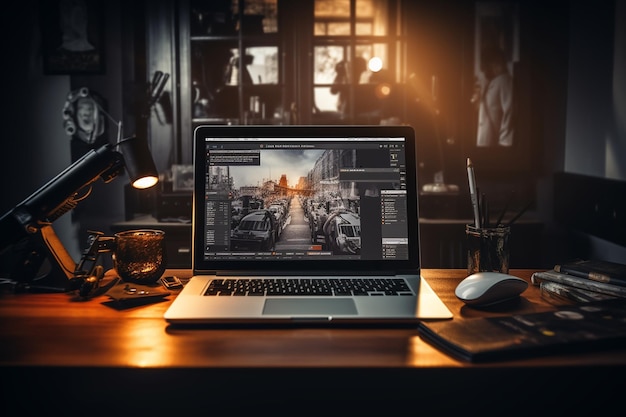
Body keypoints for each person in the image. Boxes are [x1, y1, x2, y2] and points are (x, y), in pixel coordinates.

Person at [474, 47, 514, 147]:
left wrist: (504, 141)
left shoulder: (504, 80)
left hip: (495, 143)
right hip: (486, 142)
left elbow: (510, 111)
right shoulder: (492, 82)